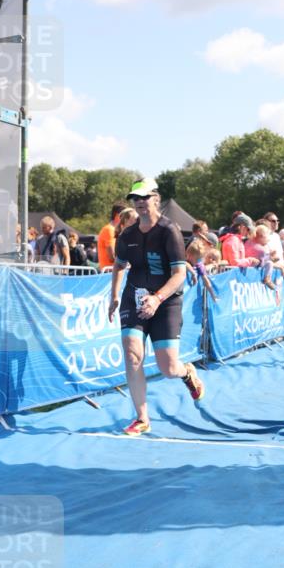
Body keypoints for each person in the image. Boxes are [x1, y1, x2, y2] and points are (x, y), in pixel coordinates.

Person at [108, 177, 205, 436]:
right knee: (132, 354)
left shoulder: (169, 230)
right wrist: (114, 296)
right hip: (135, 297)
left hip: (166, 300)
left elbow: (179, 274)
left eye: (145, 197)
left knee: (168, 368)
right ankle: (142, 418)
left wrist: (157, 298)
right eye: (135, 198)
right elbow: (119, 265)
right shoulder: (127, 235)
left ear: (156, 199)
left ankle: (187, 373)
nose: (140, 202)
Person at [98, 202, 127, 271]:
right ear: (118, 215)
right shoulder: (109, 230)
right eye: (126, 215)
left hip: (114, 270)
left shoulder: (115, 230)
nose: (127, 218)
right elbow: (112, 256)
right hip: (109, 272)